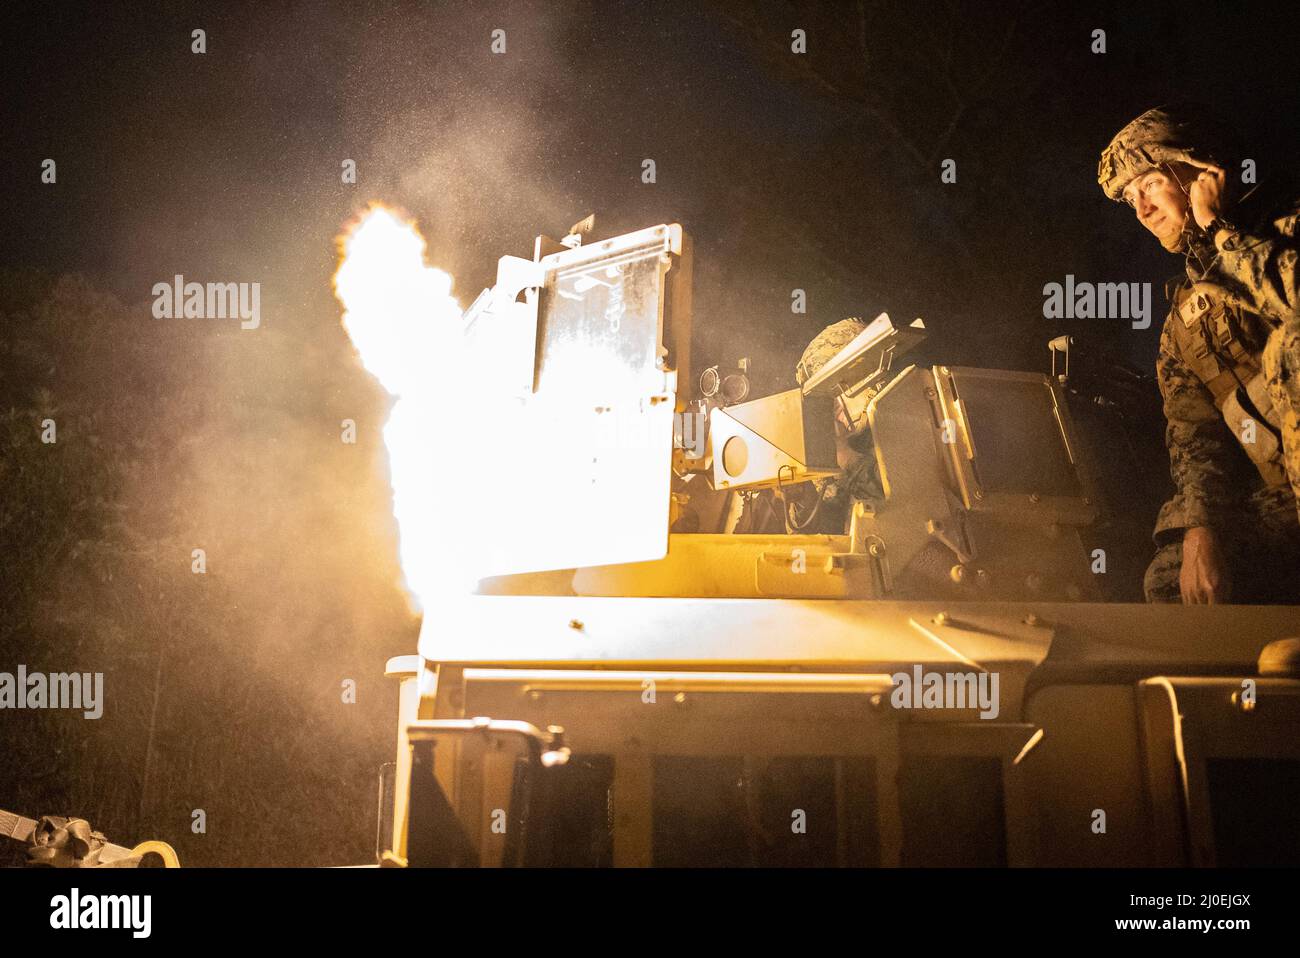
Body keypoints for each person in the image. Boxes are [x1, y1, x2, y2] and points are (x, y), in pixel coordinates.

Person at [1098, 104, 1300, 603]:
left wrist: (1218, 227)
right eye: (1130, 199)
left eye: (1149, 184)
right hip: (1285, 501)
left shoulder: (1286, 230)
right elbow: (1197, 441)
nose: (1142, 210)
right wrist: (1200, 532)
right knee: (1171, 579)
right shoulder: (1184, 325)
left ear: (1200, 171)